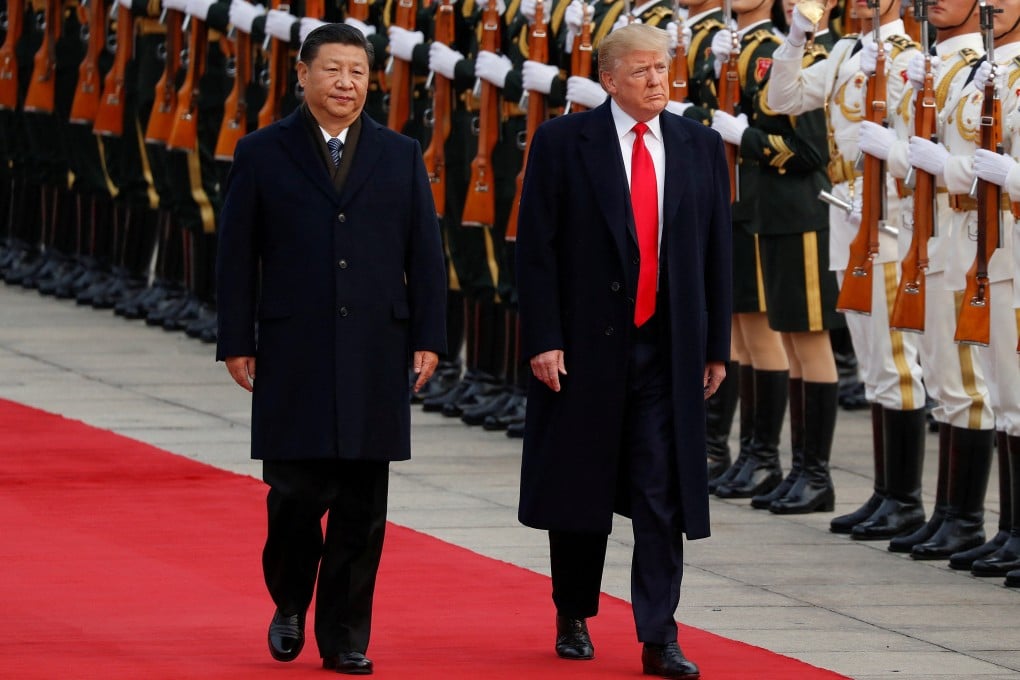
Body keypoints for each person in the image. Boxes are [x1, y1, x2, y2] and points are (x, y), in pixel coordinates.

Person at [215, 23, 447, 674]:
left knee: (362, 505)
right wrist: (236, 338)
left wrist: (430, 334)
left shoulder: (399, 153)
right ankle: (289, 599)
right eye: (334, 70)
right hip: (295, 348)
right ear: (303, 74)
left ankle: (345, 635)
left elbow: (425, 254)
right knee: (294, 495)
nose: (346, 84)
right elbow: (236, 256)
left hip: (378, 347)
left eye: (358, 73)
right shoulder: (262, 152)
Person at [515, 23, 731, 678]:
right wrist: (545, 338)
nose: (656, 82)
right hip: (584, 350)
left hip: (665, 350)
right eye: (639, 72)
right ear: (607, 80)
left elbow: (717, 251)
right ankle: (573, 608)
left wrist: (714, 344)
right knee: (580, 486)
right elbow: (537, 250)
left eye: (662, 69)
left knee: (662, 491)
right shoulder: (562, 143)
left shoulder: (698, 145)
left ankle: (659, 633)